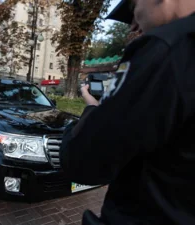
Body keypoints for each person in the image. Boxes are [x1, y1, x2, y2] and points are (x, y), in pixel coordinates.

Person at [59, 0, 195, 224]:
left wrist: (92, 111)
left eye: (133, 9)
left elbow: (84, 161)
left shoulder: (167, 47)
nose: (132, 25)